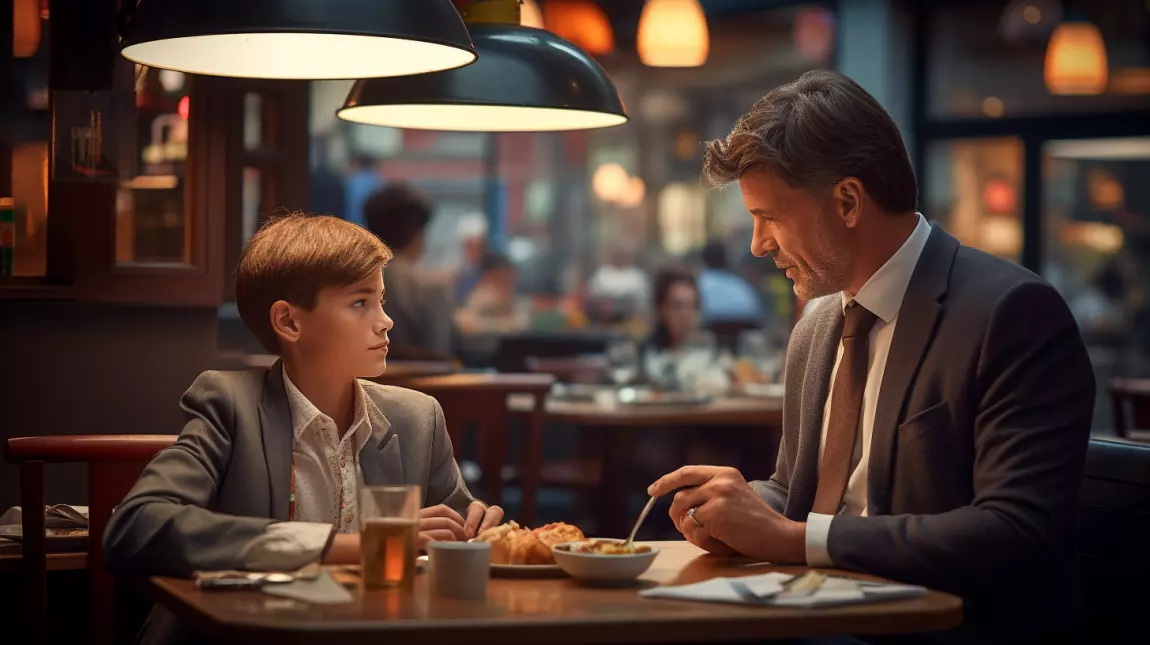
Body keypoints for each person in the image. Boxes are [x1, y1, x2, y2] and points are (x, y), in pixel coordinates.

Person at [647, 70, 1094, 643]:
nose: (758, 245)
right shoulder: (816, 328)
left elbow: (1018, 532)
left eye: (770, 218)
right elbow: (799, 495)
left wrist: (789, 538)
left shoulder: (1012, 313)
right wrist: (738, 508)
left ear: (848, 201)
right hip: (815, 619)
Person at [105, 214, 504, 645]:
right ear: (289, 322)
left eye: (382, 301)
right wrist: (351, 546)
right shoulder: (231, 404)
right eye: (360, 303)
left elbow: (455, 530)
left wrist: (481, 531)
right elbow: (137, 527)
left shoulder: (417, 417)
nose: (385, 321)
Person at [363, 183, 455, 359]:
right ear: (418, 234)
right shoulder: (432, 288)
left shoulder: (348, 283)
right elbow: (439, 356)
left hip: (361, 382)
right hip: (422, 386)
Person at [454, 251, 528, 334]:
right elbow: (464, 322)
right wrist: (503, 325)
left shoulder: (516, 299)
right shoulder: (479, 297)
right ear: (488, 277)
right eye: (499, 278)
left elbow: (521, 324)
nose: (507, 281)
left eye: (509, 277)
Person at [697, 241, 765, 325]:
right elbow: (756, 310)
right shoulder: (739, 284)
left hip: (711, 326)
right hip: (746, 325)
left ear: (703, 260)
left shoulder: (700, 283)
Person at [646, 266, 701, 353]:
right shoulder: (645, 354)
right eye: (677, 306)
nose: (685, 314)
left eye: (691, 306)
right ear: (661, 308)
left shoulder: (709, 354)